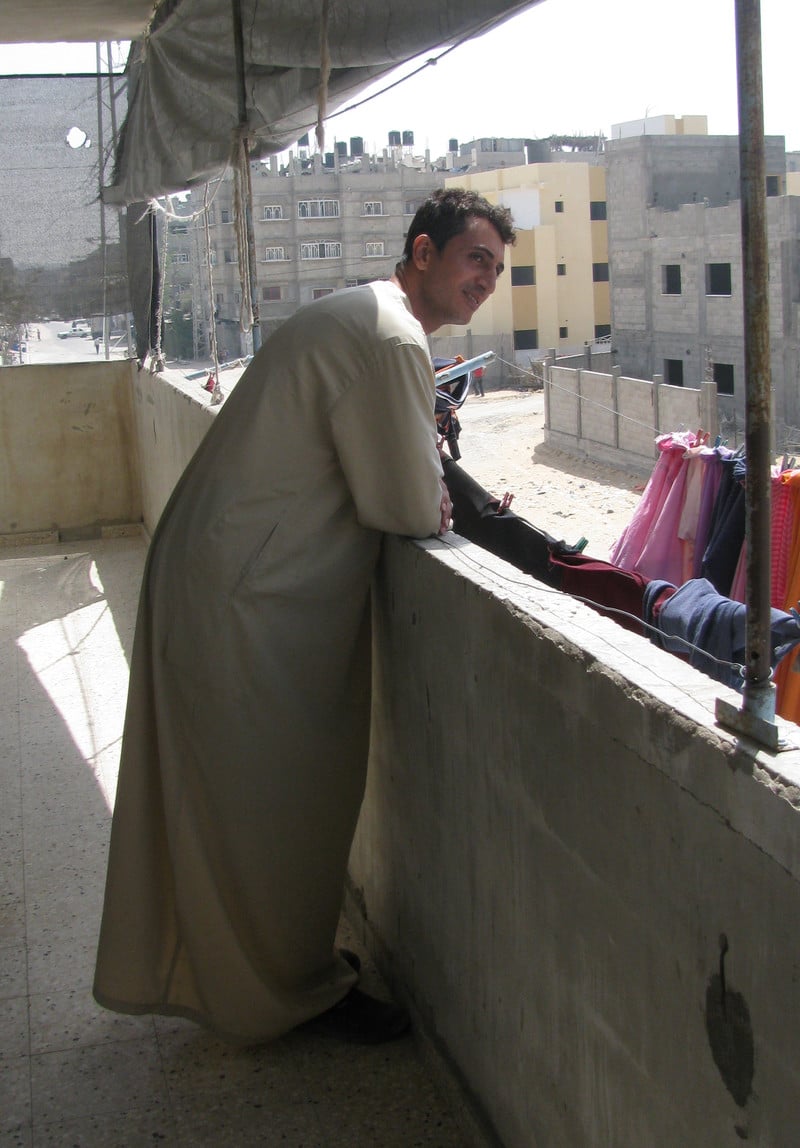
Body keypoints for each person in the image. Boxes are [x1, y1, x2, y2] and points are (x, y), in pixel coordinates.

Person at [93, 187, 515, 1046]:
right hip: (247, 598)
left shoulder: (367, 316)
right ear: (423, 253)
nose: (487, 281)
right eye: (476, 258)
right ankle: (284, 995)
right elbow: (405, 503)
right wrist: (431, 489)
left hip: (229, 580)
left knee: (246, 806)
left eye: (498, 270)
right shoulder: (393, 335)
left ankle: (262, 981)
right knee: (273, 810)